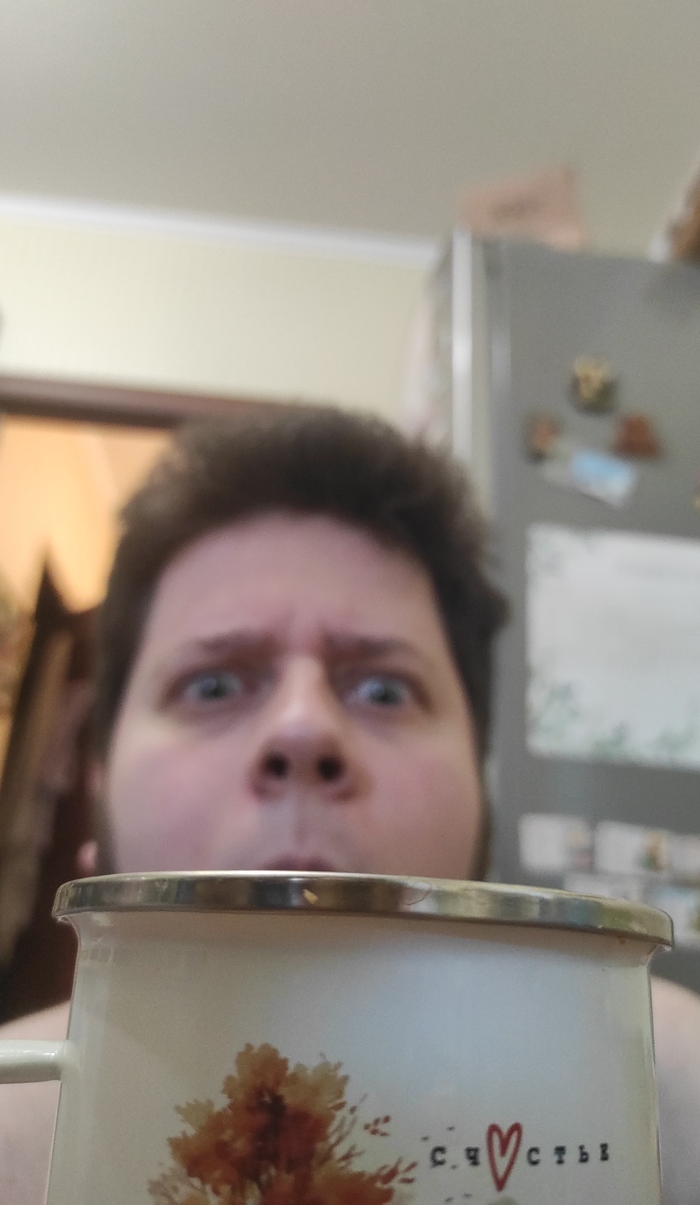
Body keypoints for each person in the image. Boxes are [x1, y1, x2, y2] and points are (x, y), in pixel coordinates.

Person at [0, 405, 698, 1205]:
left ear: (481, 790)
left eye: (384, 690)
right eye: (214, 684)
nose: (302, 729)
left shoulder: (672, 1093)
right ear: (97, 787)